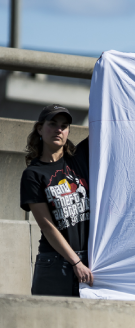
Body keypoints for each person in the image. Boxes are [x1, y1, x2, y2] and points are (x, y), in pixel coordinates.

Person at [21, 104, 93, 296]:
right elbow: (47, 226)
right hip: (54, 262)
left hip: (90, 260)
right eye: (52, 123)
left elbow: (104, 123)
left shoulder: (79, 158)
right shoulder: (33, 175)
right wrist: (76, 262)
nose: (59, 129)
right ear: (39, 128)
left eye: (64, 125)